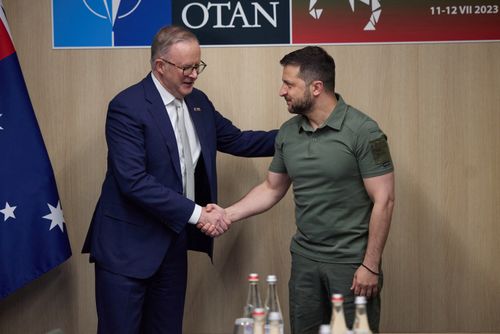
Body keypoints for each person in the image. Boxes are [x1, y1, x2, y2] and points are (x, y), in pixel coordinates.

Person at [81, 25, 277, 334]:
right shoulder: (127, 107)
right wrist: (199, 215)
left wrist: (297, 135)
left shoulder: (198, 103)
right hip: (126, 251)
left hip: (172, 246)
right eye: (186, 67)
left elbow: (238, 141)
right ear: (160, 66)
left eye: (197, 66)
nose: (194, 74)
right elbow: (133, 180)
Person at [215, 46, 395, 334]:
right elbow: (272, 188)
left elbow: (384, 200)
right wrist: (226, 214)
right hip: (305, 261)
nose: (281, 91)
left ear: (316, 87)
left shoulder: (364, 131)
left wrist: (371, 266)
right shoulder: (288, 133)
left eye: (289, 84)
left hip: (350, 264)